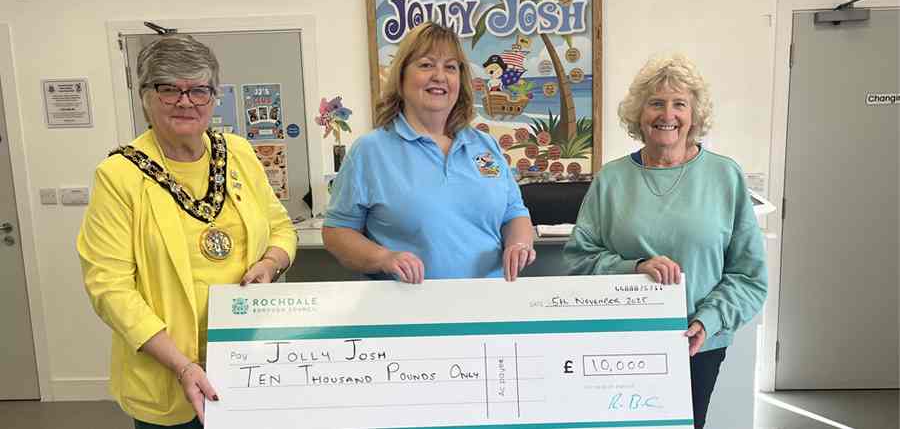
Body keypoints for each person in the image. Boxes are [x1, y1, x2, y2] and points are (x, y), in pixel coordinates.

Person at [77, 35, 296, 428]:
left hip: (251, 364)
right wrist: (181, 366)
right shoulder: (119, 175)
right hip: (170, 378)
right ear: (144, 96)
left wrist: (270, 263)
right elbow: (109, 287)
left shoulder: (239, 153)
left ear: (213, 97)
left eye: (198, 89)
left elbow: (281, 228)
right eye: (168, 89)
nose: (185, 101)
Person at [563, 55, 767, 428]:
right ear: (639, 113)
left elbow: (749, 276)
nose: (667, 114)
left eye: (679, 104)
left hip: (697, 344)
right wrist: (634, 268)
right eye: (656, 103)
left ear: (695, 114)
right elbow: (578, 257)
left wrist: (708, 321)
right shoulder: (610, 180)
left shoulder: (725, 176)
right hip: (619, 342)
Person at [323, 22, 535, 282]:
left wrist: (519, 245)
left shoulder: (485, 146)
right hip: (408, 309)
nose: (439, 76)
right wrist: (384, 258)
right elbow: (337, 231)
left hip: (487, 305)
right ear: (401, 76)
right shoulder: (370, 151)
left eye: (450, 67)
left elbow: (514, 213)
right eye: (426, 64)